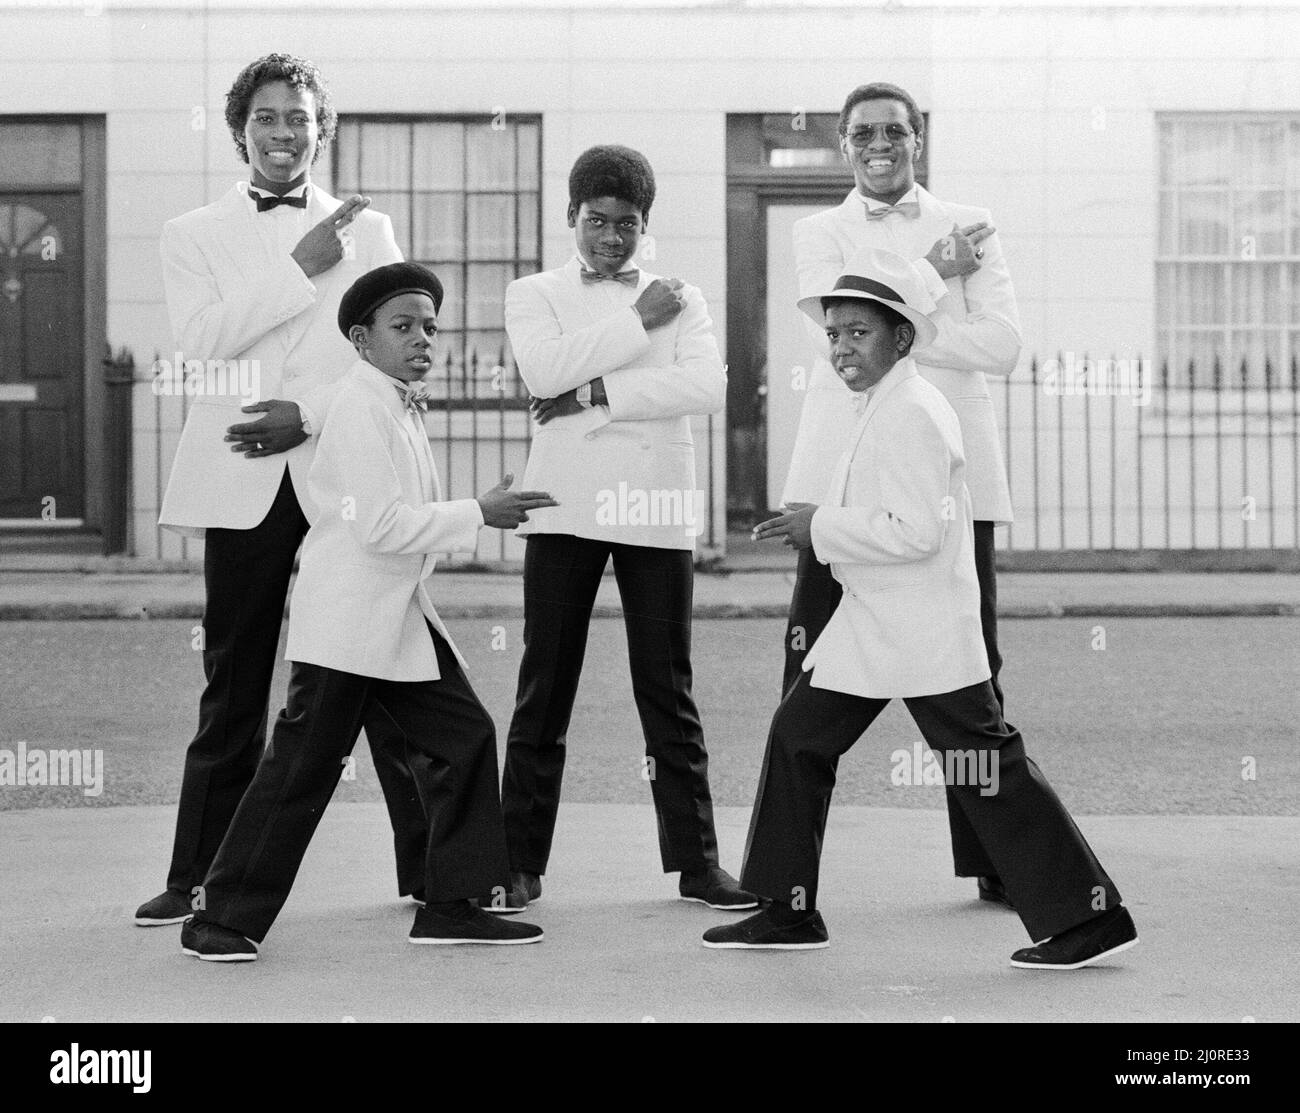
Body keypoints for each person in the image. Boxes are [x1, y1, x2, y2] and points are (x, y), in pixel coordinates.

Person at [703, 250, 1137, 970]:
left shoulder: (912, 410)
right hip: (878, 623)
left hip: (922, 627)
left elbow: (917, 530)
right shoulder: (884, 401)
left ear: (902, 338)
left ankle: (1089, 916)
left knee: (985, 766)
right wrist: (823, 520)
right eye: (835, 334)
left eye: (859, 333)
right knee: (798, 737)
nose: (842, 346)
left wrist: (821, 527)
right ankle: (786, 907)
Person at [181, 263, 555, 960]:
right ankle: (218, 918)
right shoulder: (359, 405)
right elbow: (380, 526)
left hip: (393, 621)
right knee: (300, 770)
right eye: (403, 326)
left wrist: (472, 511)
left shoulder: (390, 400)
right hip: (350, 627)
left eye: (429, 327)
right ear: (361, 339)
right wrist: (481, 511)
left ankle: (451, 902)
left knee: (465, 735)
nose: (422, 339)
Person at [135, 54, 429, 928]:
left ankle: (430, 870)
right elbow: (198, 345)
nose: (283, 133)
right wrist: (300, 264)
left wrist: (310, 416)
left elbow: (386, 352)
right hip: (244, 480)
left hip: (345, 466)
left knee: (383, 662)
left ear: (320, 128)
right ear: (240, 130)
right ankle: (197, 877)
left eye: (299, 117)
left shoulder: (370, 229)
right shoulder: (192, 233)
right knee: (235, 680)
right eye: (267, 118)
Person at [487, 145, 754, 913]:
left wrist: (596, 389)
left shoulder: (685, 296)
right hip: (564, 503)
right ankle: (519, 860)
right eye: (596, 222)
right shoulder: (532, 292)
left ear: (646, 224)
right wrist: (639, 324)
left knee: (667, 690)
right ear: (571, 217)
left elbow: (705, 385)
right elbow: (543, 373)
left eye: (626, 225)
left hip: (656, 506)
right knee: (546, 686)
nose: (610, 238)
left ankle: (698, 865)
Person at [782, 81, 1023, 909]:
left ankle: (998, 856)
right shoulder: (818, 231)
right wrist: (932, 276)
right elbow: (836, 323)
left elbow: (1004, 345)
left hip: (951, 471)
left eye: (894, 131)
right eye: (860, 134)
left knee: (970, 670)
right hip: (839, 480)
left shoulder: (971, 220)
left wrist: (908, 323)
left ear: (917, 138)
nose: (878, 145)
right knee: (810, 667)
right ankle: (783, 876)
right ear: (843, 145)